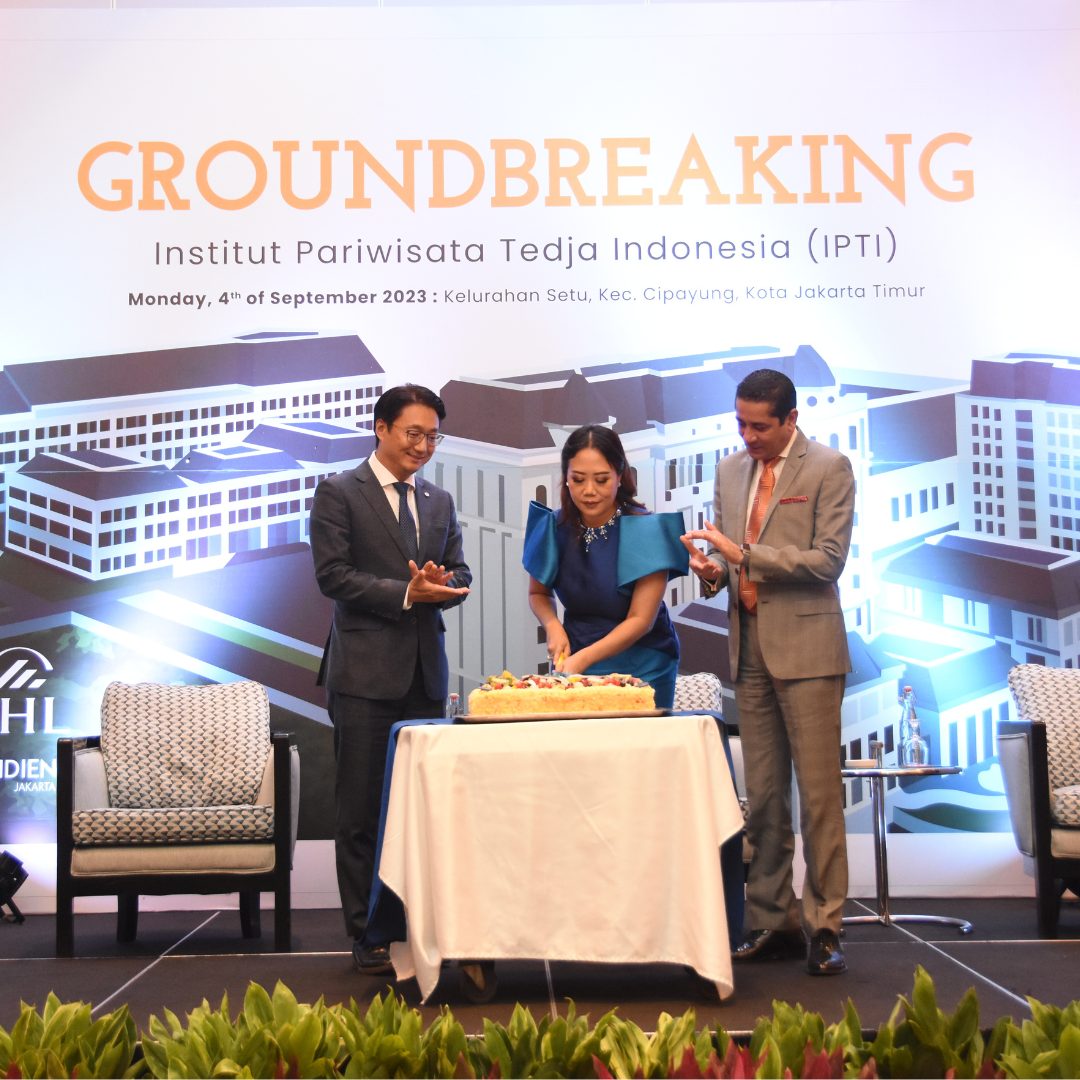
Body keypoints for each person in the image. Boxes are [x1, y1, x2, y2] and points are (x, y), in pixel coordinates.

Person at [681, 368, 854, 976]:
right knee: (764, 797)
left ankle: (825, 927)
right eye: (741, 424)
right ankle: (772, 920)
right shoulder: (731, 471)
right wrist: (712, 572)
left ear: (791, 419)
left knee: (820, 799)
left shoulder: (829, 467)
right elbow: (728, 566)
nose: (748, 436)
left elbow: (828, 561)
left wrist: (745, 555)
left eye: (759, 426)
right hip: (748, 648)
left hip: (809, 650)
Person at [310, 383, 471, 975]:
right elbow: (333, 576)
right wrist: (407, 592)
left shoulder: (439, 500)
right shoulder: (338, 492)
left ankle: (421, 923)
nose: (423, 446)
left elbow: (460, 571)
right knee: (361, 813)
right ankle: (367, 933)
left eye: (433, 437)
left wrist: (445, 586)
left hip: (425, 676)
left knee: (422, 811)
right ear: (381, 429)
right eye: (414, 434)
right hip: (363, 677)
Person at [525, 425, 687, 709]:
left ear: (620, 476)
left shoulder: (647, 530)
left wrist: (584, 658)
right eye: (578, 479)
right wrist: (553, 626)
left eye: (601, 480)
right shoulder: (553, 527)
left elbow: (641, 620)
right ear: (565, 477)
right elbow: (538, 593)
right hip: (575, 657)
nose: (589, 491)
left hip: (644, 660)